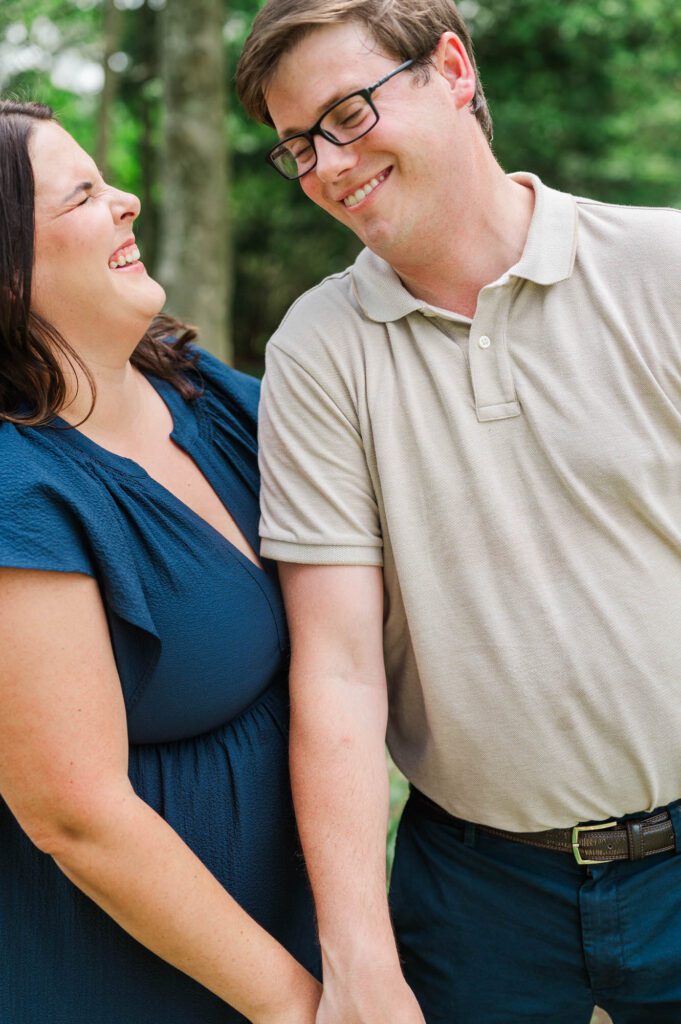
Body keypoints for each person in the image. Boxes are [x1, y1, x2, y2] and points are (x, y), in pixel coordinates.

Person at [235, 2, 681, 1022]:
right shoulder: (318, 351)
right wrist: (359, 961)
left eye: (348, 114)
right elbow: (339, 669)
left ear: (452, 68)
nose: (328, 165)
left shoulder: (665, 270)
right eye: (298, 145)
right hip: (476, 890)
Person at [0, 100, 321, 1024]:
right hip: (121, 980)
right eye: (85, 196)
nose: (129, 200)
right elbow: (76, 815)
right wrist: (298, 1008)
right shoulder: (21, 493)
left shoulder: (210, 395)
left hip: (288, 933)